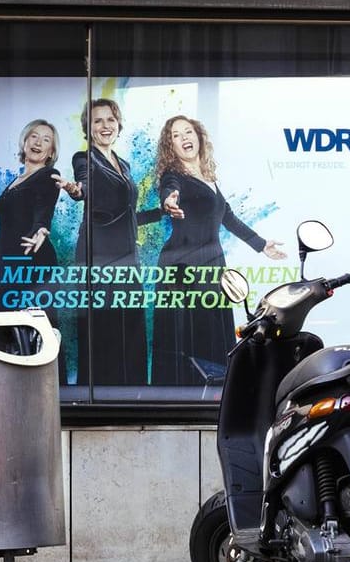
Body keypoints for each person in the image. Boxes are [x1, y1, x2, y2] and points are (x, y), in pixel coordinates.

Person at [54, 98, 184, 386]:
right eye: (97, 120)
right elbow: (84, 183)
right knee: (102, 328)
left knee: (130, 329)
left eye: (110, 119)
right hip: (98, 255)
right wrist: (78, 191)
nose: (105, 126)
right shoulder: (83, 158)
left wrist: (162, 210)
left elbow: (127, 216)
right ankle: (100, 396)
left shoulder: (122, 164)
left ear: (118, 125)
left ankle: (131, 393)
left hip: (126, 256)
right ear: (88, 127)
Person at [149, 115, 286, 386]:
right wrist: (169, 200)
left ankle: (213, 394)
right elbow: (169, 191)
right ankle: (186, 397)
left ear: (199, 136)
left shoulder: (207, 176)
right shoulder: (173, 175)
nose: (184, 138)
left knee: (210, 331)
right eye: (175, 135)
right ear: (170, 146)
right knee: (190, 335)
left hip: (211, 263)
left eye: (188, 131)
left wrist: (261, 244)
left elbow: (228, 217)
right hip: (183, 266)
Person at [0, 119, 62, 315]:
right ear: (24, 142)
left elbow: (45, 205)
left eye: (46, 140)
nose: (38, 143)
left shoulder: (49, 175)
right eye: (34, 136)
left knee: (34, 334)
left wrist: (41, 228)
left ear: (51, 152)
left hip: (33, 262)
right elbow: (8, 230)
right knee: (8, 330)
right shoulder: (15, 181)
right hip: (10, 263)